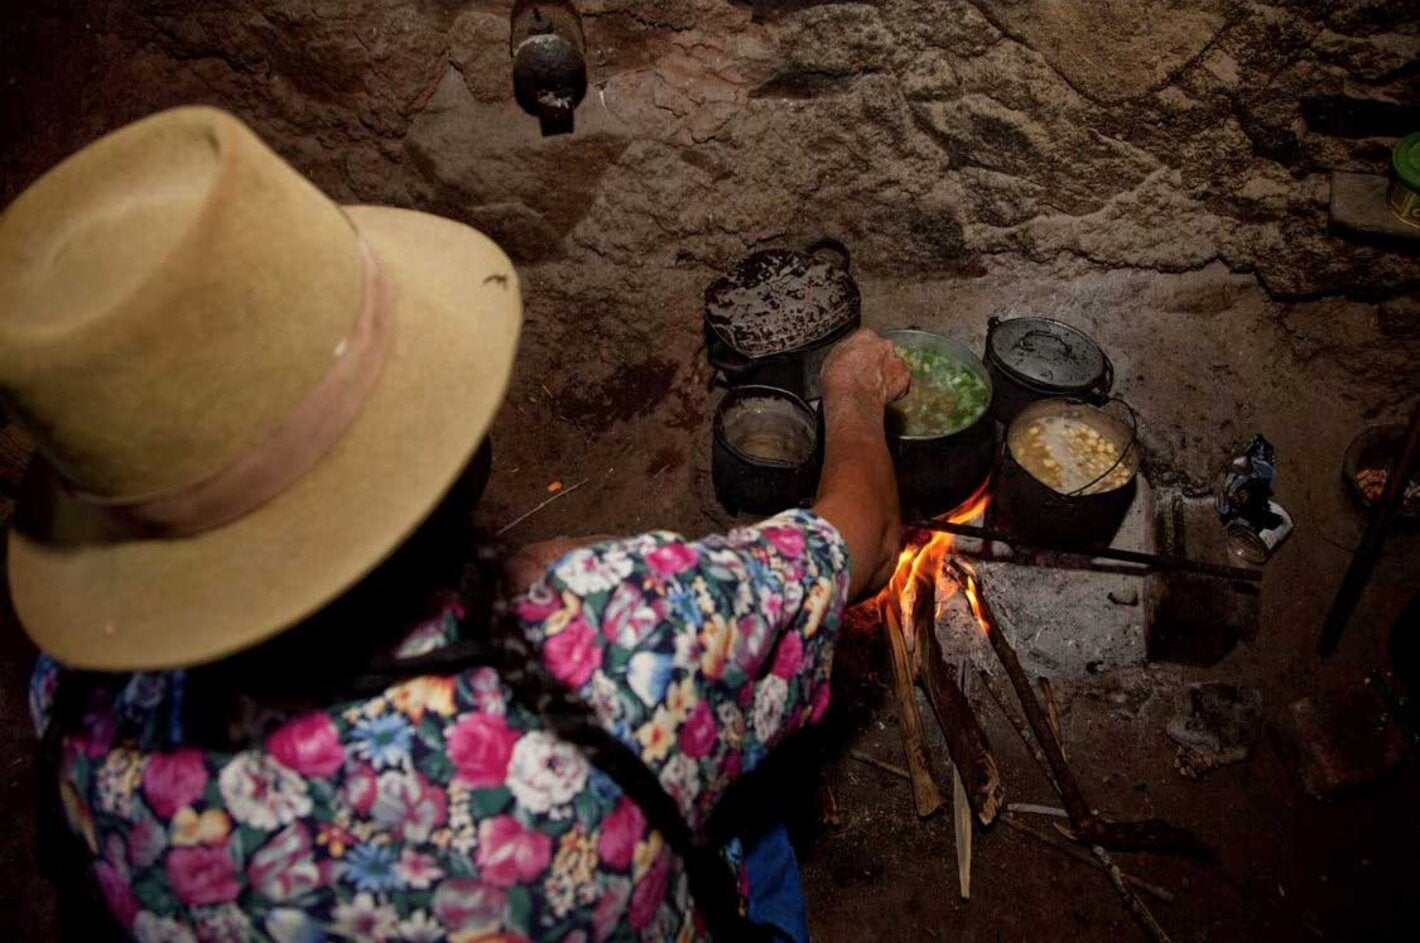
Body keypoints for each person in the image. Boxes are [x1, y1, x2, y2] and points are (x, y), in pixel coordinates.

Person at [2, 107, 909, 942]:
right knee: (754, 812)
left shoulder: (87, 723)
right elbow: (852, 539)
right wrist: (852, 394)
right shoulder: (630, 646)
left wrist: (528, 572)